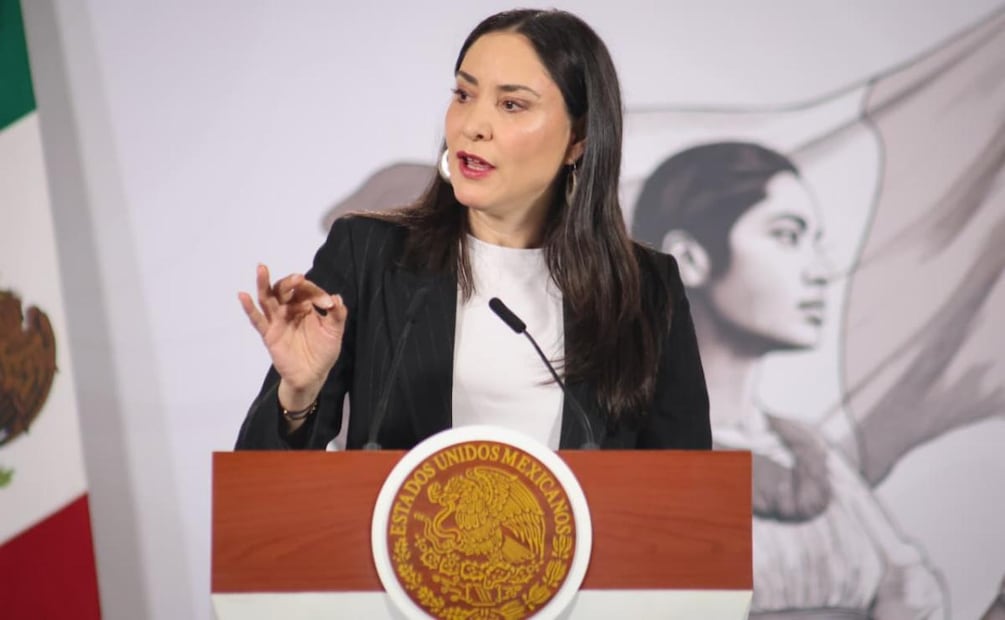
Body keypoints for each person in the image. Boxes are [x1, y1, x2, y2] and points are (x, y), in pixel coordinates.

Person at [235, 9, 711, 452]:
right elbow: (260, 481)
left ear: (578, 139)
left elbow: (688, 489)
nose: (473, 125)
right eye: (464, 95)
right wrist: (299, 393)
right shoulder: (370, 255)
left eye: (511, 104)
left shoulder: (646, 289)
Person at [632, 142, 945, 618]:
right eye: (787, 235)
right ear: (689, 259)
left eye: (816, 241)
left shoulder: (810, 451)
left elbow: (910, 593)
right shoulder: (632, 445)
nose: (820, 272)